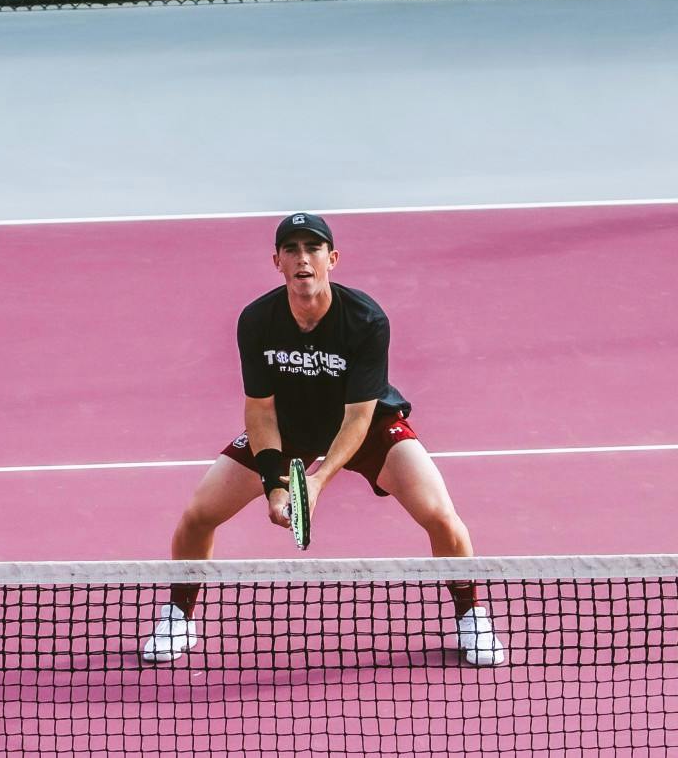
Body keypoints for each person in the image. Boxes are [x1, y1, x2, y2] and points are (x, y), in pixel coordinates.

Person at [139, 211, 505, 667]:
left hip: (368, 423)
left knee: (440, 514)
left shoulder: (365, 320)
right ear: (277, 262)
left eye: (312, 248)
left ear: (332, 259)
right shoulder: (257, 320)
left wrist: (316, 481)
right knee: (198, 515)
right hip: (289, 426)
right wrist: (276, 483)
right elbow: (260, 410)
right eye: (291, 249)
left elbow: (357, 419)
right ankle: (179, 615)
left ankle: (471, 615)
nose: (302, 258)